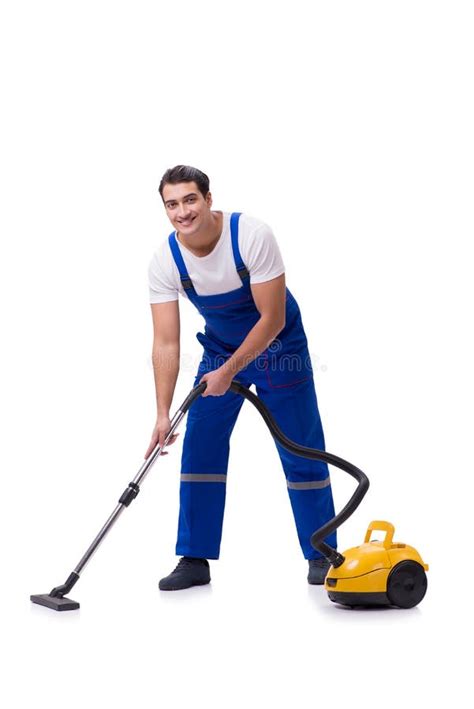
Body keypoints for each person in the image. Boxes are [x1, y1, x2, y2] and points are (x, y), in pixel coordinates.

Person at [146, 165, 337, 590]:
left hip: (280, 347)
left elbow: (271, 319)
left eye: (190, 199)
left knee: (302, 448)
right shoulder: (165, 261)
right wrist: (162, 414)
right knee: (200, 445)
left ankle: (322, 552)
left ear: (209, 199)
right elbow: (165, 343)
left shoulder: (250, 235)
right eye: (172, 204)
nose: (182, 212)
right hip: (219, 351)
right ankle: (194, 558)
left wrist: (229, 372)